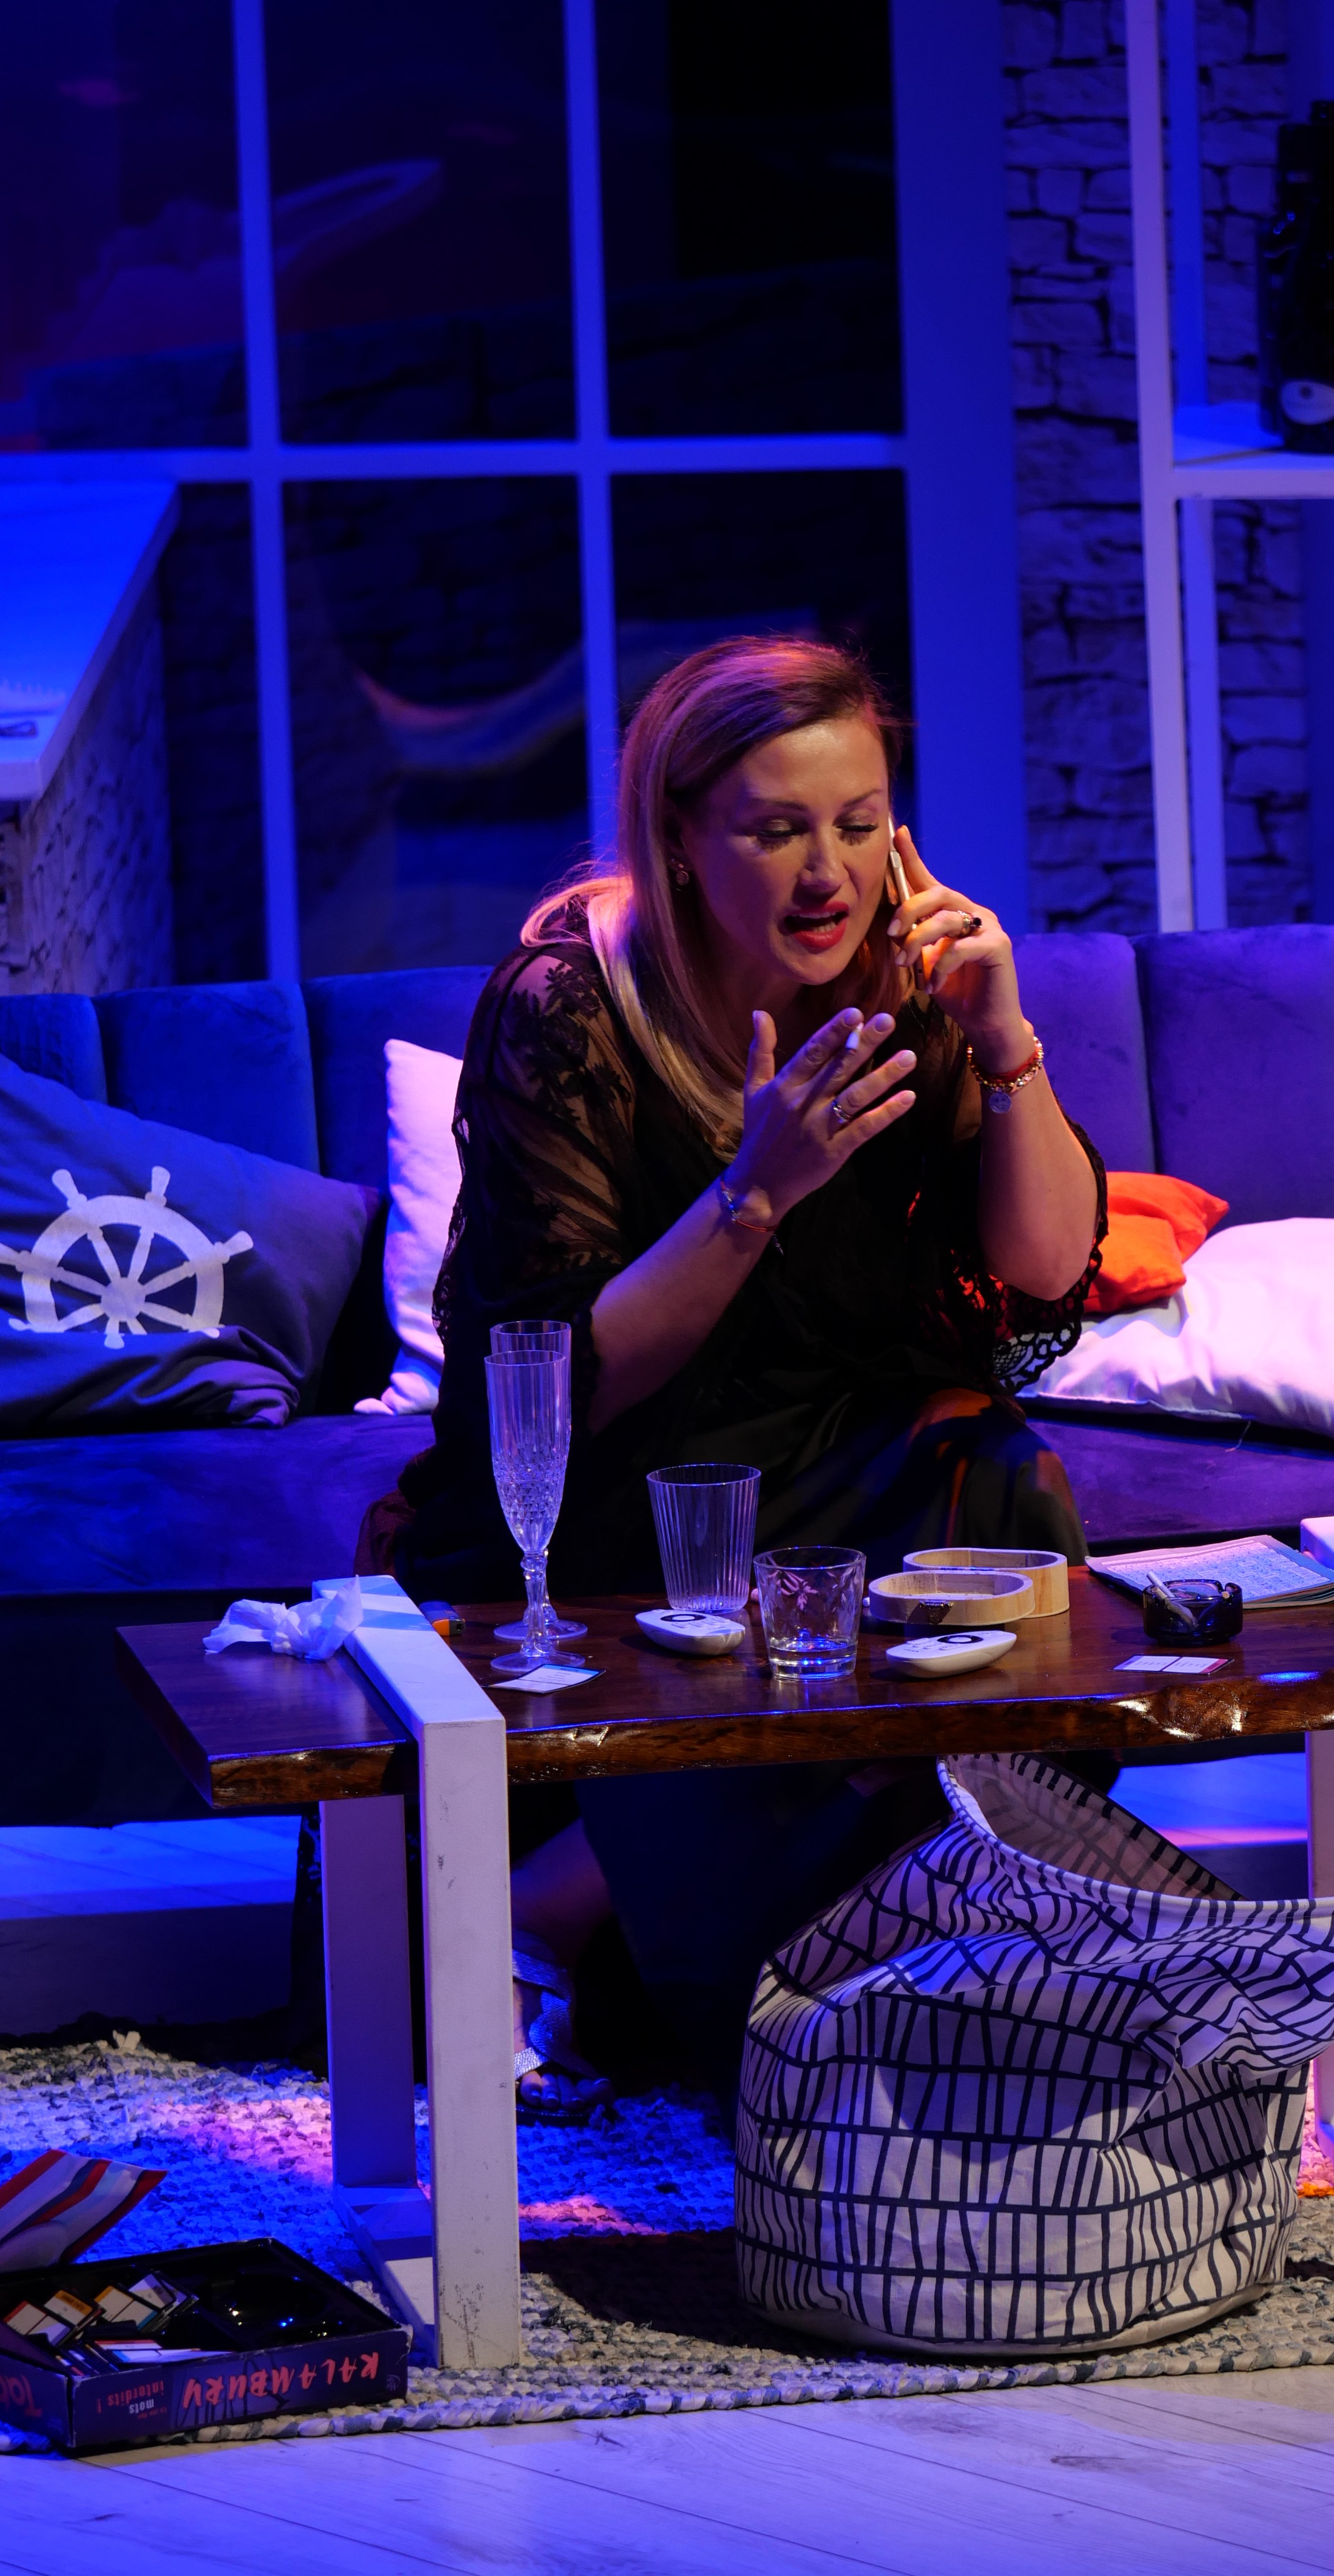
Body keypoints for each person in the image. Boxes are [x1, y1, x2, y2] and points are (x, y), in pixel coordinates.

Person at [384, 636, 1106, 2111]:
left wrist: (1005, 1041)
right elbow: (557, 1383)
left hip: (843, 1454)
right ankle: (745, 1987)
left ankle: (585, 1905)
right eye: (777, 830)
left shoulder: (915, 977)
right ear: (682, 842)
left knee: (1006, 1493)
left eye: (858, 823)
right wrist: (754, 1191)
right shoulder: (572, 1004)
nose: (828, 873)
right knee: (777, 1592)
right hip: (626, 1485)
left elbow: (1045, 1269)